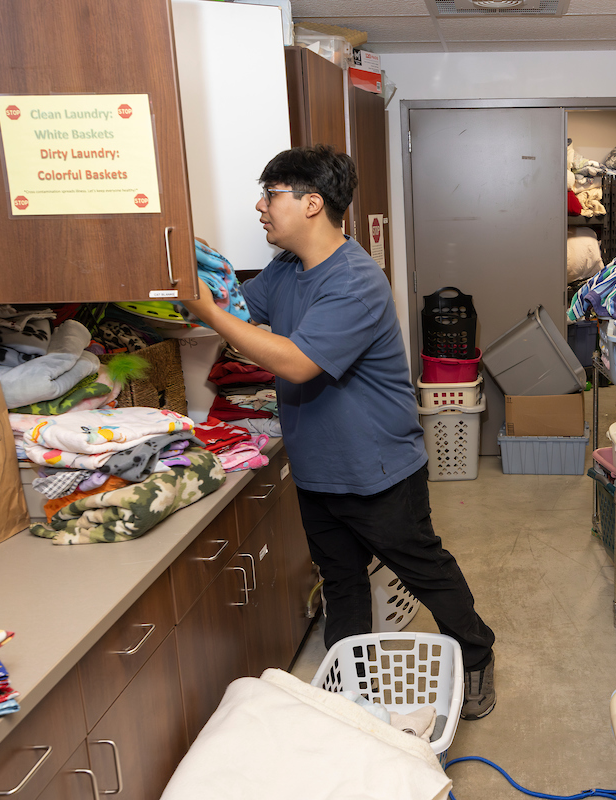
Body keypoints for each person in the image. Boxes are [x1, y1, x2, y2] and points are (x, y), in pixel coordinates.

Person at [182, 145, 497, 720]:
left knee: (423, 571)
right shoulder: (284, 272)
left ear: (310, 203)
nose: (259, 206)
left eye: (270, 194)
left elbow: (298, 362)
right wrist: (195, 279)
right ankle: (353, 698)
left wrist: (210, 313)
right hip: (317, 468)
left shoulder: (356, 279)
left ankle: (477, 655)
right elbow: (243, 316)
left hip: (377, 469)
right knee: (341, 584)